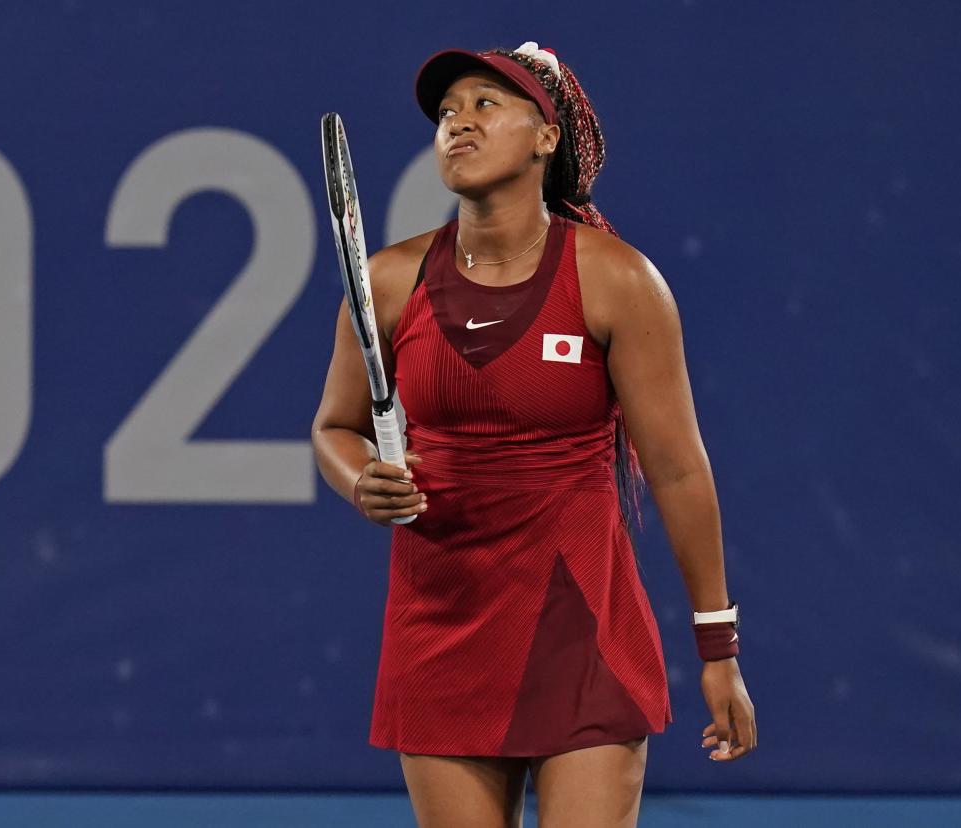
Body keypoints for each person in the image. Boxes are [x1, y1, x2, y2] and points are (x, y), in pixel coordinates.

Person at [312, 41, 756, 828]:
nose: (459, 125)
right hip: (441, 632)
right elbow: (334, 428)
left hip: (583, 630)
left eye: (486, 105)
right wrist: (359, 480)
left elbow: (680, 471)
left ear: (546, 136)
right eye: (447, 113)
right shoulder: (385, 282)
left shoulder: (618, 280)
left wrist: (717, 647)